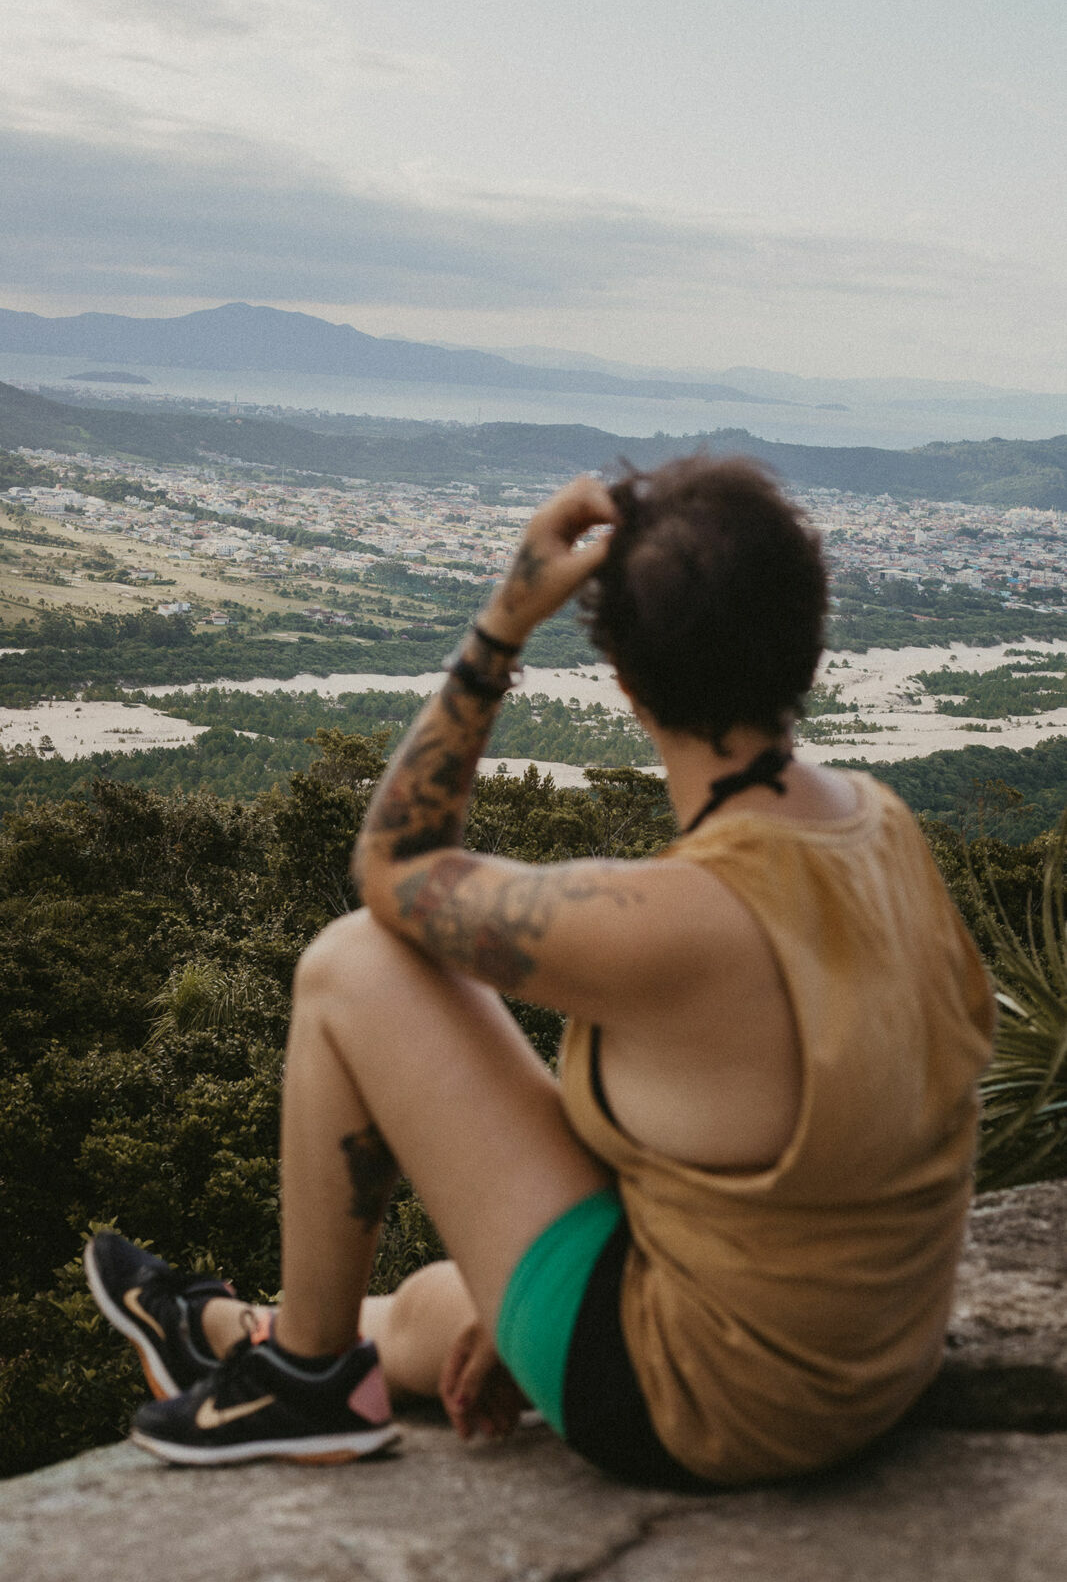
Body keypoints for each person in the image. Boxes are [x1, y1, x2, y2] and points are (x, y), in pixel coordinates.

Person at [85, 455, 995, 1485]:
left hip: (705, 1408)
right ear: (807, 635)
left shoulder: (690, 918)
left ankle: (302, 1378)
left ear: (623, 678)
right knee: (443, 1301)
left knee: (356, 960)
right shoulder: (883, 830)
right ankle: (221, 1330)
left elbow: (393, 869)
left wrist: (502, 626)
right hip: (865, 1359)